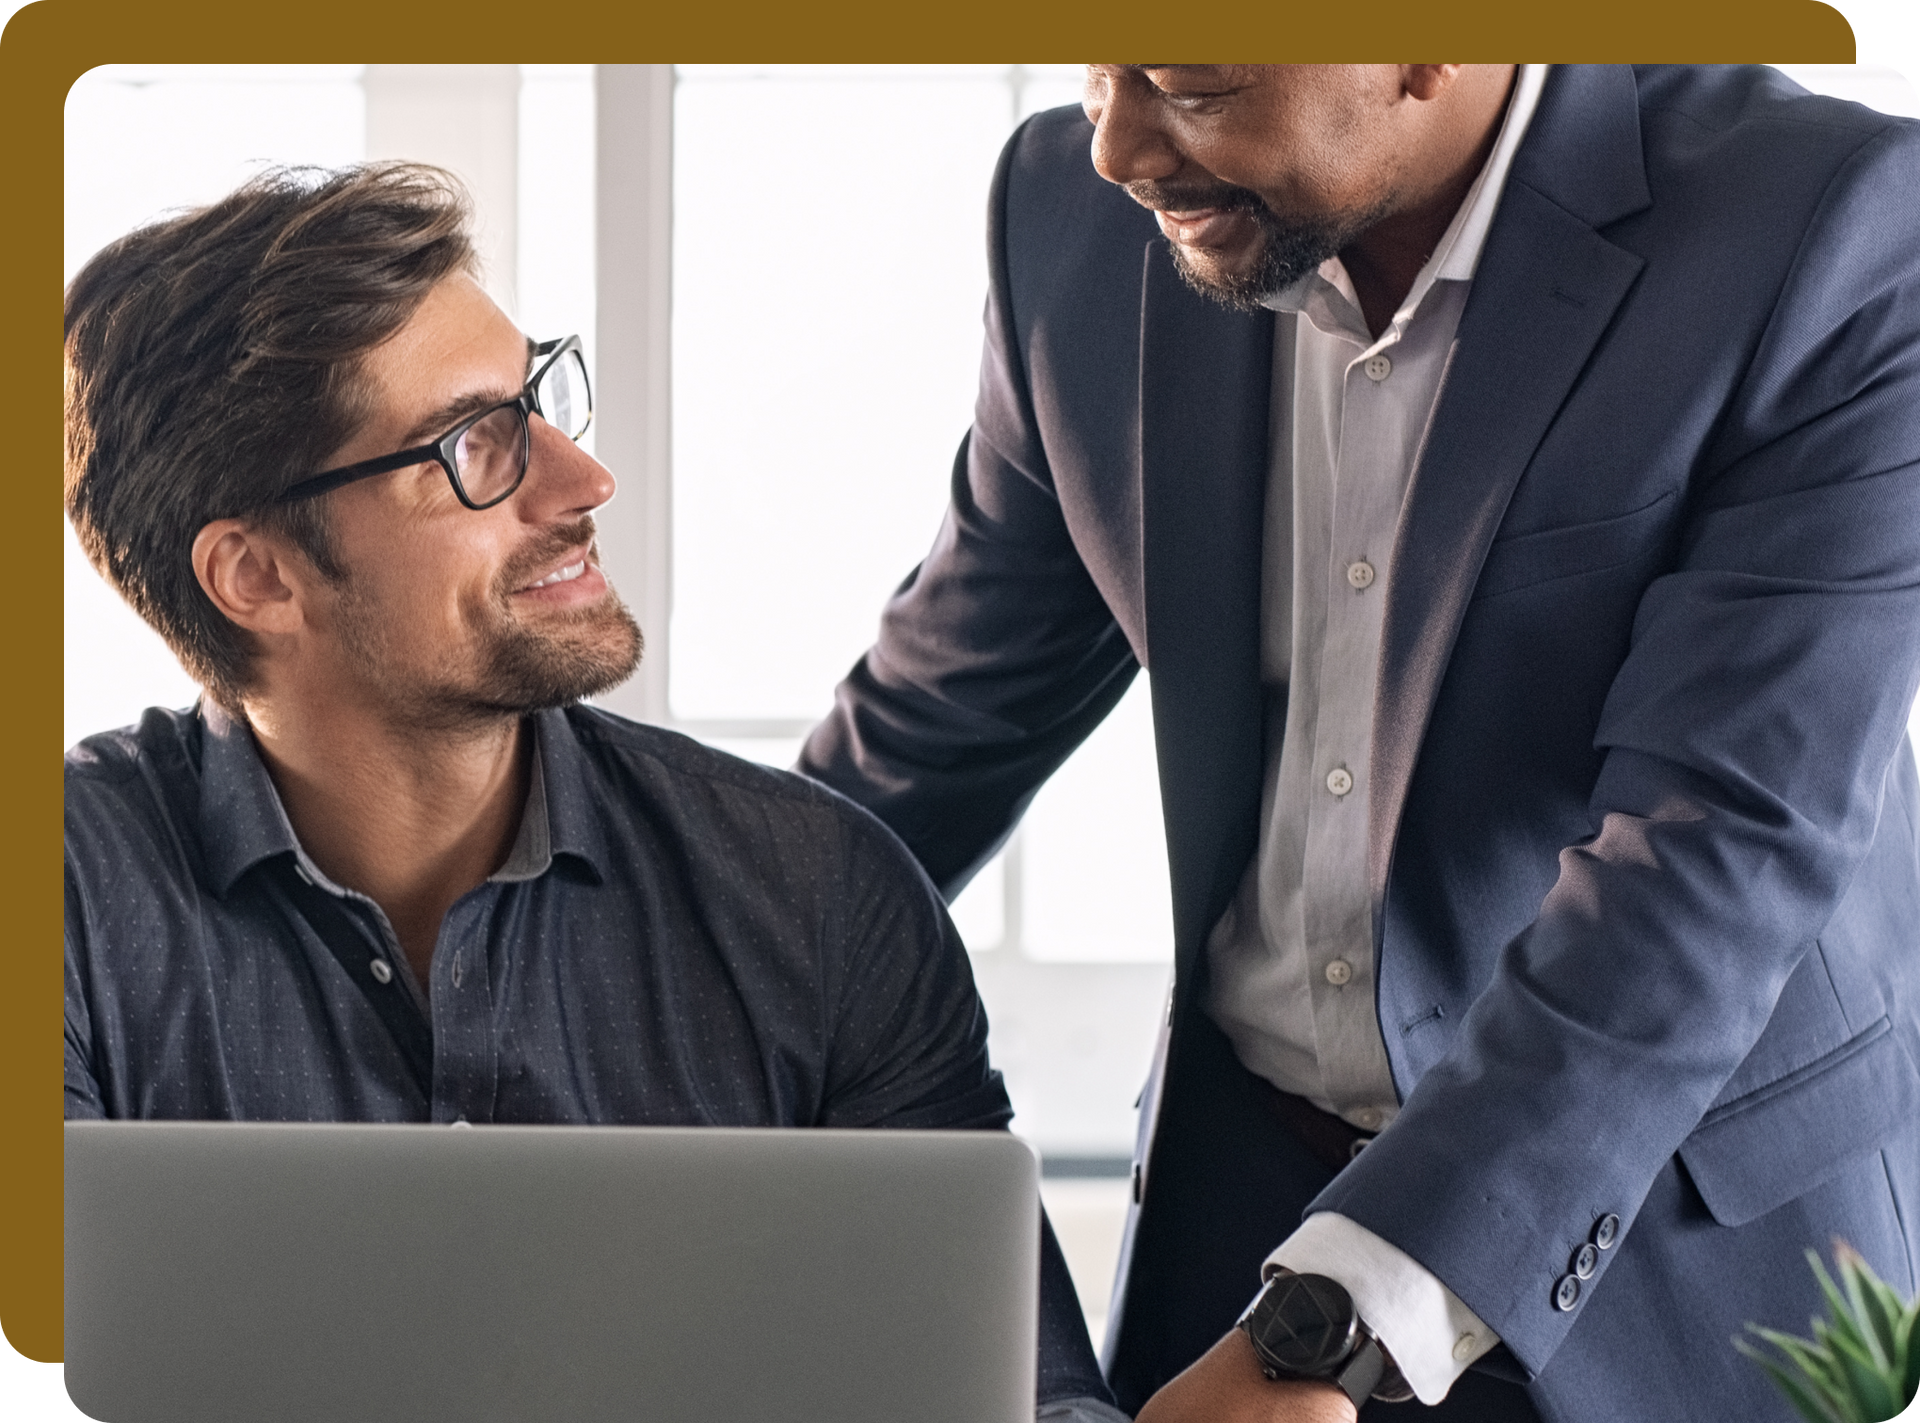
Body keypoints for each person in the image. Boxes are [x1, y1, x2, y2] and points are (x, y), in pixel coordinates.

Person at [798, 64, 1920, 1423]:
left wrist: (1325, 1331)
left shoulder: (1832, 225)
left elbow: (1718, 854)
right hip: (1239, 1216)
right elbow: (928, 730)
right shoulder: (1067, 218)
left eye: (1188, 84)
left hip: (1672, 1247)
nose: (1115, 147)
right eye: (1093, 63)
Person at [61, 162, 1122, 1423]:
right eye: (474, 446)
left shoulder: (827, 897)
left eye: (540, 400)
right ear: (256, 577)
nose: (580, 483)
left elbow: (1027, 1400)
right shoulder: (60, 906)